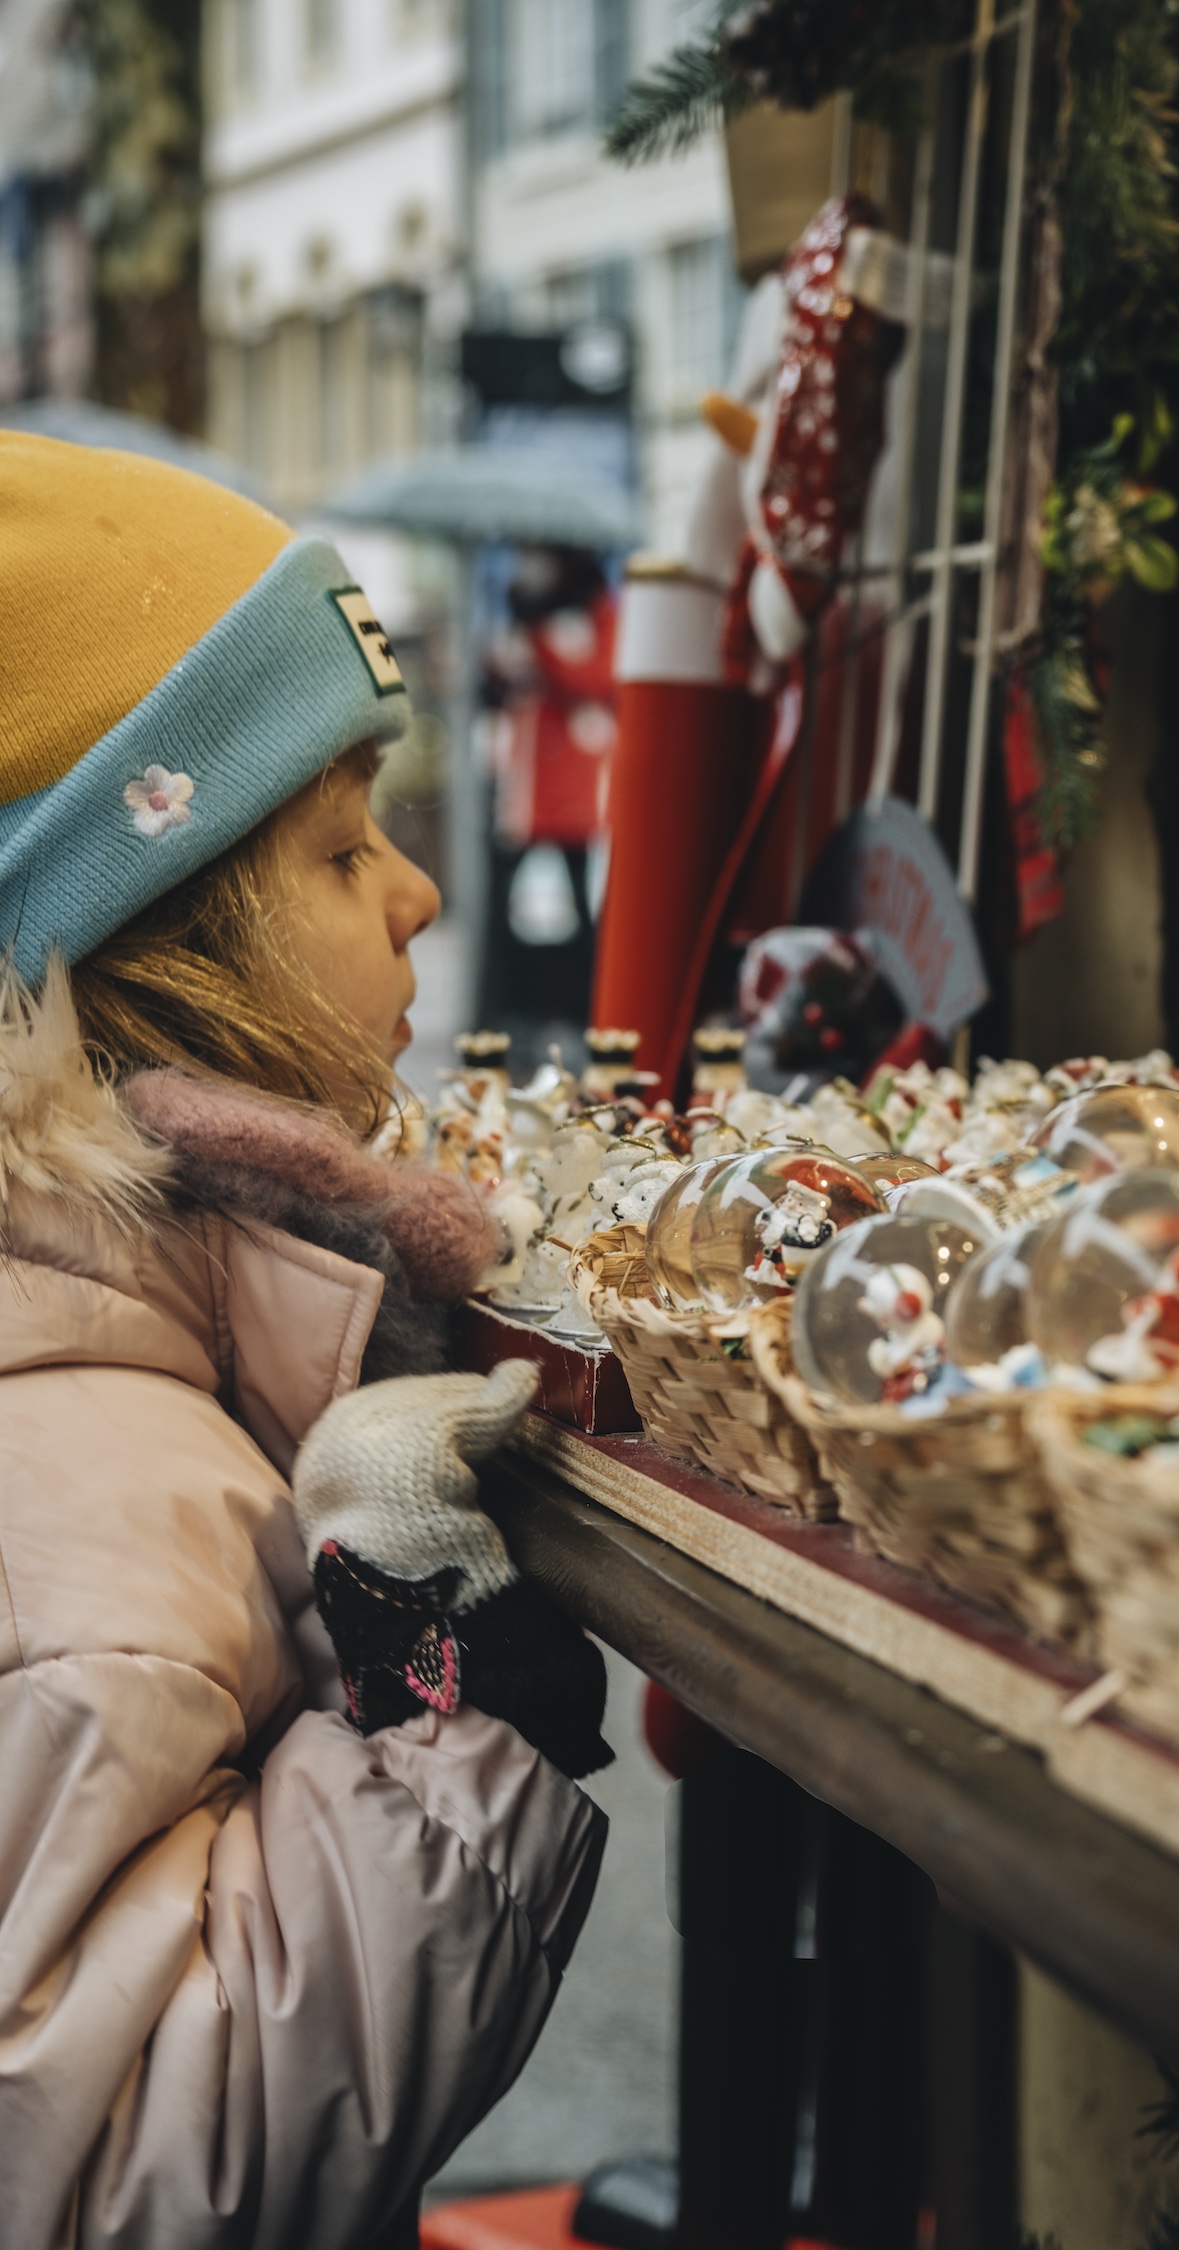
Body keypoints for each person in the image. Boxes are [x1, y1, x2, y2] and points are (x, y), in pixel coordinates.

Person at [0, 433, 611, 2249]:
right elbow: (121, 2178)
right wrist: (429, 1656)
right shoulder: (101, 1519)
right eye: (346, 844)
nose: (419, 892)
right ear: (157, 958)